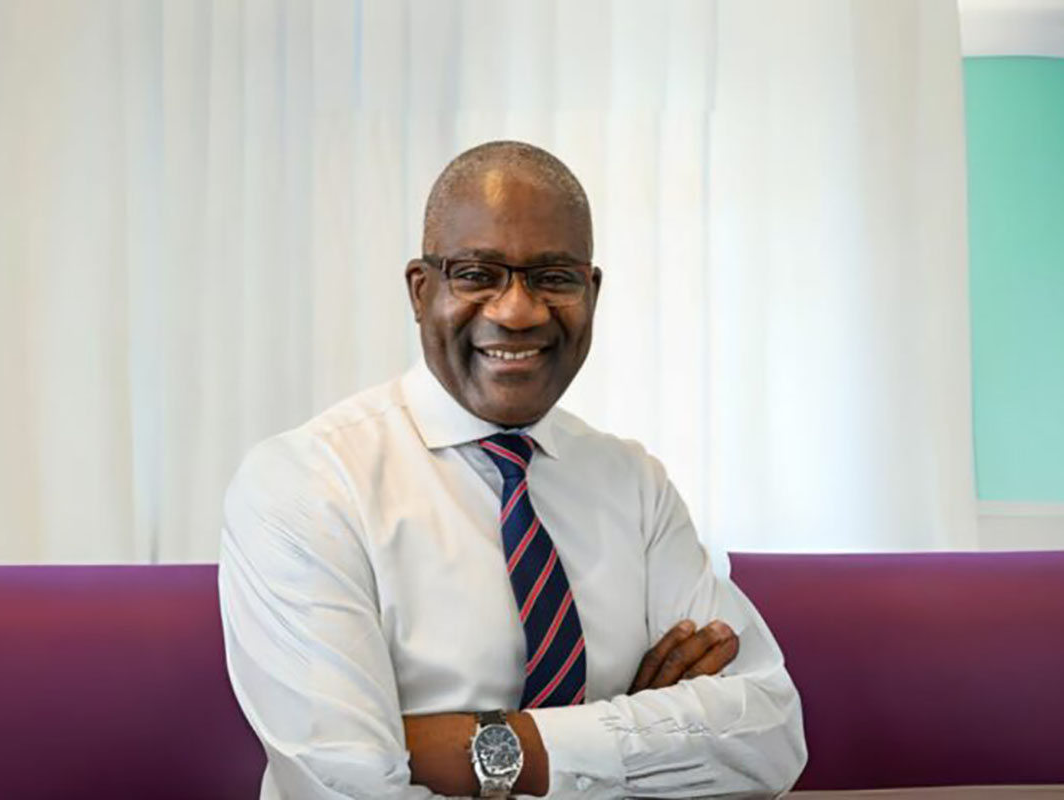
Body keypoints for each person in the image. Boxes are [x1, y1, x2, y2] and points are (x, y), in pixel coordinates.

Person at [219, 140, 806, 799]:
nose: (517, 311)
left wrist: (474, 745)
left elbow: (769, 736)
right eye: (477, 274)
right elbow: (350, 787)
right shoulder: (307, 483)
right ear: (421, 290)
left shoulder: (635, 484)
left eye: (554, 277)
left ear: (592, 292)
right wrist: (642, 736)